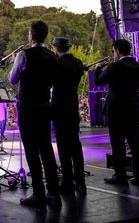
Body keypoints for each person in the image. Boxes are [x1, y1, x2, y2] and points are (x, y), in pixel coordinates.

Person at [8, 20, 60, 208]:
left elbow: (12, 80)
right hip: (45, 105)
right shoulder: (53, 56)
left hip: (28, 106)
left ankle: (38, 193)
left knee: (31, 149)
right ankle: (54, 193)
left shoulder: (24, 55)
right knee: (46, 148)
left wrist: (16, 61)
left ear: (31, 35)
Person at [94, 38, 139, 187]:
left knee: (117, 144)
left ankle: (120, 175)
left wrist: (99, 67)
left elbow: (98, 81)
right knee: (135, 144)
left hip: (116, 111)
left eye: (113, 51)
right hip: (132, 109)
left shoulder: (114, 66)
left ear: (117, 50)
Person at [51, 37, 86, 194]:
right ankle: (80, 181)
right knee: (75, 144)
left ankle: (67, 181)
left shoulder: (57, 64)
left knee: (63, 146)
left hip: (59, 107)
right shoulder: (78, 63)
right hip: (73, 106)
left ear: (57, 49)